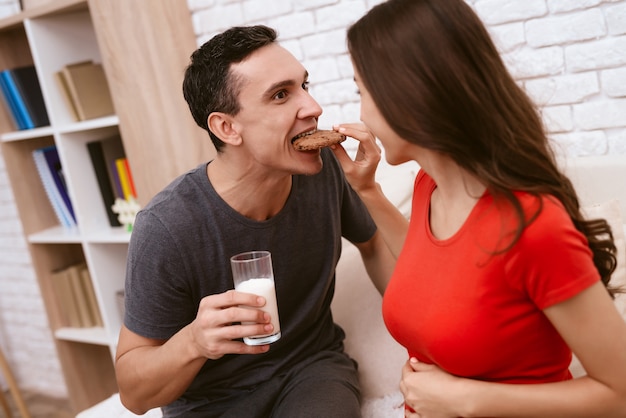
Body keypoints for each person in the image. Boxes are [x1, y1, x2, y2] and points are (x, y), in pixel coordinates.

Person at [331, 0, 626, 416]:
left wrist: (466, 398)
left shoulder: (533, 225)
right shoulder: (428, 186)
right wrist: (368, 192)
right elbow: (439, 270)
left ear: (408, 93)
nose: (359, 110)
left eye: (362, 91)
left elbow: (620, 393)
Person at [114, 25, 394, 418]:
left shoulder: (325, 168)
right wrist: (194, 341)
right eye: (281, 95)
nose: (312, 107)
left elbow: (376, 243)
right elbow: (133, 393)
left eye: (304, 85)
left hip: (310, 371)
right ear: (227, 128)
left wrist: (426, 336)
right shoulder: (167, 228)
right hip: (212, 402)